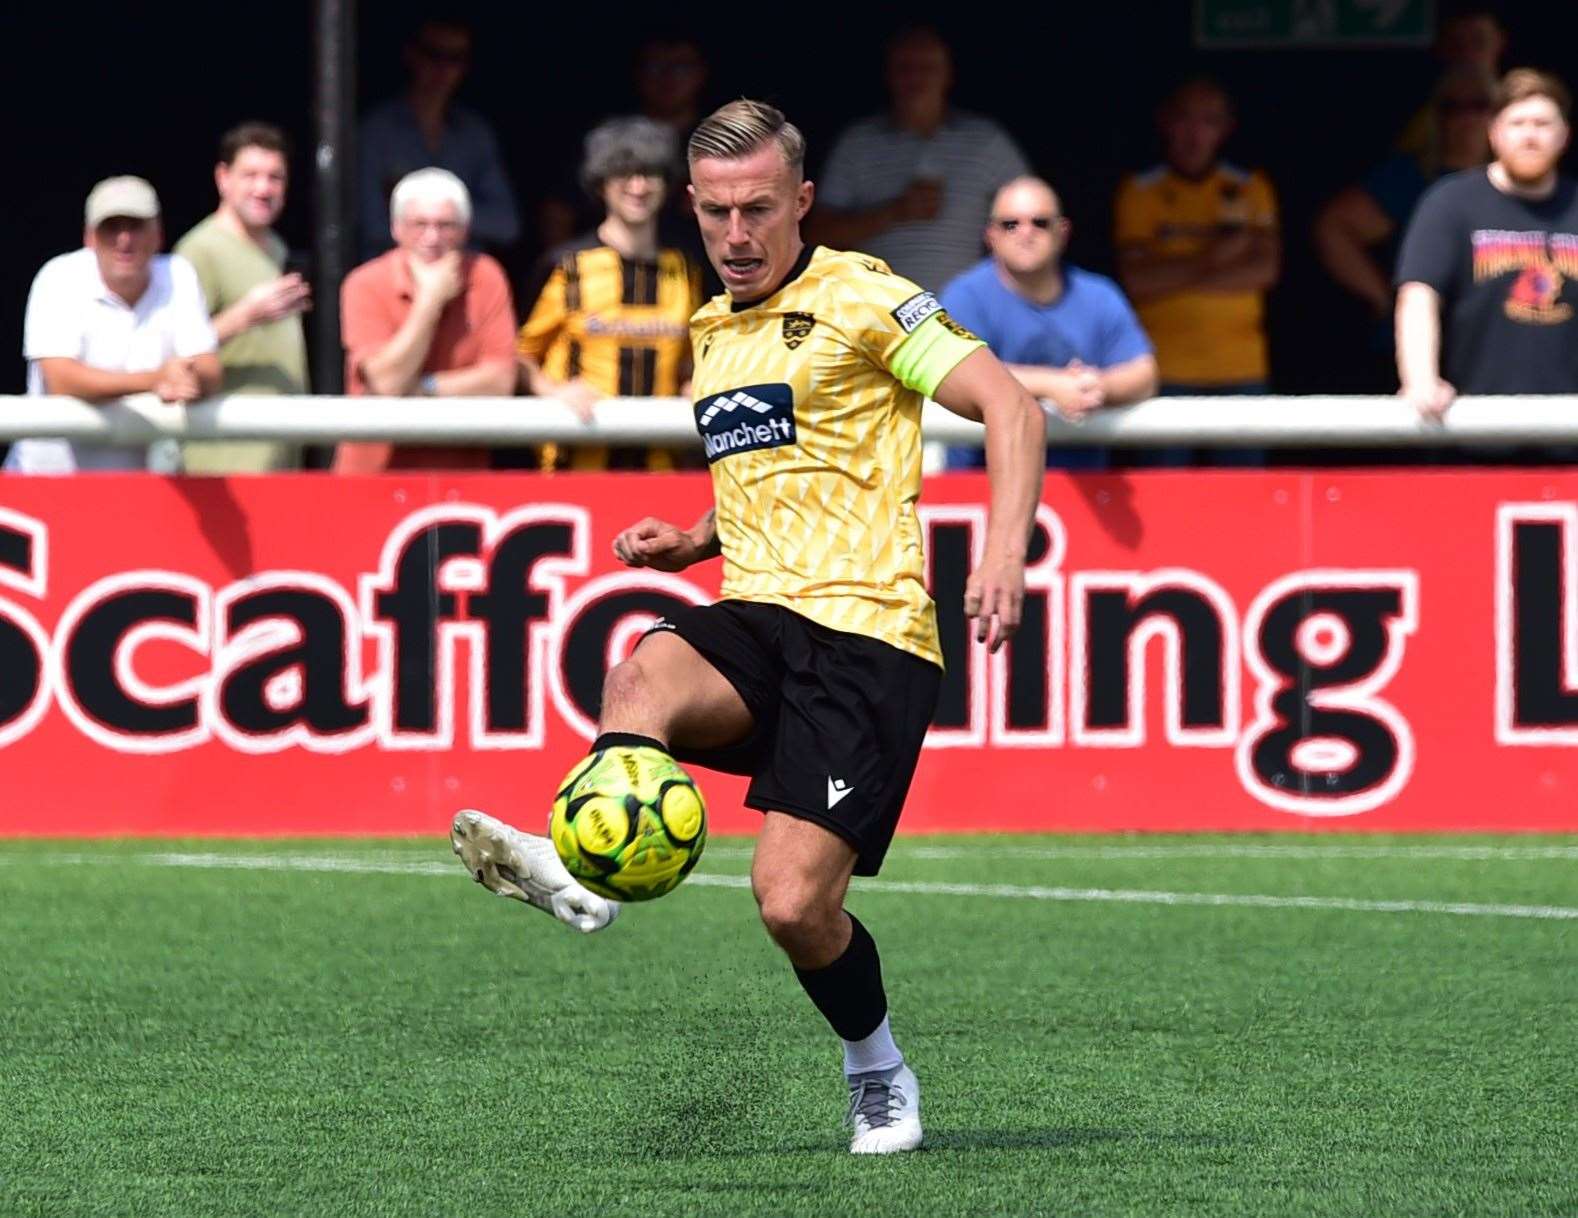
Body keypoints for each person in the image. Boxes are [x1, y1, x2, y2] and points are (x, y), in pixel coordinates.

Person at [450, 99, 1045, 1154]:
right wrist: (689, 541)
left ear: (802, 201)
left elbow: (1012, 409)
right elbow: (772, 474)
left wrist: (1001, 554)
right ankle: (586, 873)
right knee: (642, 673)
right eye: (718, 210)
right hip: (758, 613)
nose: (736, 233)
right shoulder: (712, 329)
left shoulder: (863, 295)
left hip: (867, 637)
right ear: (692, 205)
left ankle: (878, 1069)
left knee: (790, 907)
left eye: (759, 208)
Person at [515, 117, 705, 472]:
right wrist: (552, 391)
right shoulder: (566, 266)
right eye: (624, 173)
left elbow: (690, 360)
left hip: (662, 470)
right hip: (574, 467)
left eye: (650, 173)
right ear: (601, 183)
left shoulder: (684, 268)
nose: (638, 186)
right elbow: (520, 355)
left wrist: (692, 384)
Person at [7, 176, 220, 474]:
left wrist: (187, 378)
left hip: (139, 491)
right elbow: (62, 380)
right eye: (111, 227)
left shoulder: (179, 274)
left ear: (158, 235)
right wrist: (157, 380)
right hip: (47, 482)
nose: (124, 240)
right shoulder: (57, 277)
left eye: (135, 225)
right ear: (89, 237)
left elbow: (209, 369)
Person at [1396, 69, 1578, 417]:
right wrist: (1421, 379)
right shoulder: (1451, 202)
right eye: (1517, 123)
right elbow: (1419, 294)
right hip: (1472, 430)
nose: (1529, 136)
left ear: (1564, 136)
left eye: (1542, 124)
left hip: (1569, 433)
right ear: (1494, 133)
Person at [941, 176, 1157, 469]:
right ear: (991, 235)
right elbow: (955, 374)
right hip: (982, 484)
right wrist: (1051, 385)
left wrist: (1100, 385)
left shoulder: (1099, 295)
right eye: (1010, 224)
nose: (1025, 233)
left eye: (1040, 222)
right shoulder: (964, 296)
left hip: (1083, 483)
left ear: (1063, 232)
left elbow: (1144, 374)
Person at [809, 25, 1029, 293]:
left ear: (948, 74)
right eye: (905, 68)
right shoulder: (858, 143)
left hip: (965, 314)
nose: (916, 78)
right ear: (888, 75)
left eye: (927, 68)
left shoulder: (987, 142)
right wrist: (894, 212)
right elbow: (816, 236)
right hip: (877, 312)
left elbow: (1033, 219)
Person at [335, 168, 517, 474]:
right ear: (396, 228)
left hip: (459, 475)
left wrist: (423, 388)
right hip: (374, 474)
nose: (432, 238)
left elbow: (500, 380)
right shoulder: (363, 283)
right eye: (419, 224)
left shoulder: (486, 276)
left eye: (445, 226)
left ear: (465, 230)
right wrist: (430, 302)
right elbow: (387, 383)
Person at [1114, 77, 1280, 396]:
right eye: (1184, 119)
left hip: (1241, 367)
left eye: (1209, 121)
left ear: (1227, 128)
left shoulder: (1250, 186)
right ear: (1165, 121)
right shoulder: (1139, 190)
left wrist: (1172, 273)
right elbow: (1137, 281)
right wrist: (1215, 258)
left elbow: (1265, 270)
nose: (1195, 134)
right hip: (1164, 367)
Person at [1316, 67, 1495, 356]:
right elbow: (1334, 226)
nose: (1466, 117)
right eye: (1452, 107)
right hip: (1424, 341)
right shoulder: (1412, 177)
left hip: (1500, 341)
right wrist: (1384, 298)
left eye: (1480, 105)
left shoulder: (1525, 182)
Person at [174, 122, 311, 474]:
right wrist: (246, 315)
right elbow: (172, 350)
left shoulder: (275, 248)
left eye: (275, 177)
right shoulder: (200, 250)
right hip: (224, 457)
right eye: (250, 175)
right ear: (223, 178)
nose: (263, 188)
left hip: (279, 454)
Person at [359, 16, 519, 259]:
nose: (443, 68)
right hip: (393, 278)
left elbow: (506, 224)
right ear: (411, 55)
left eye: (455, 59)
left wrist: (425, 217)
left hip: (462, 275)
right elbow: (370, 226)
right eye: (434, 55)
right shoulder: (377, 131)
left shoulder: (474, 133)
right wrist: (457, 225)